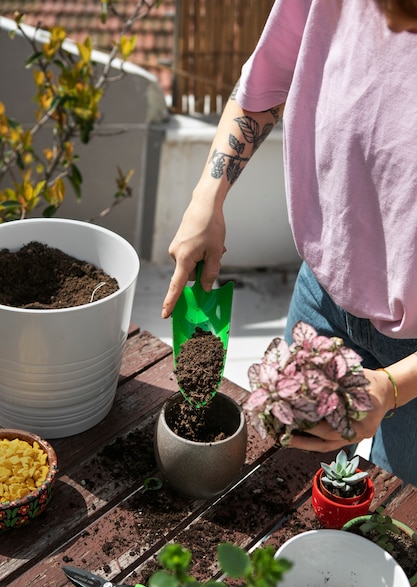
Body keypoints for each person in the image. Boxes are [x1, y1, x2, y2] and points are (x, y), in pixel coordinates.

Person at [161, 0, 417, 486]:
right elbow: (269, 75)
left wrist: (391, 387)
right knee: (287, 479)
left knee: (393, 517)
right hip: (322, 297)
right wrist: (207, 199)